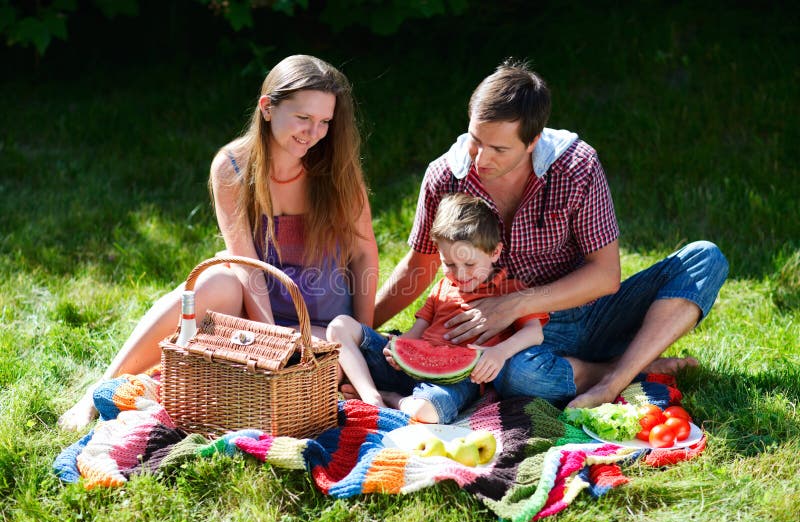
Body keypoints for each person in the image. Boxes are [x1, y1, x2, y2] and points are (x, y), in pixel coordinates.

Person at [373, 58, 728, 409]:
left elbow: (606, 276)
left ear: (533, 142)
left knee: (705, 258)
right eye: (476, 140)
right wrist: (363, 324)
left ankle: (611, 384)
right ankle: (631, 367)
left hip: (593, 311)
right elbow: (420, 264)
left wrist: (513, 304)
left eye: (499, 149)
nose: (481, 158)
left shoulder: (576, 166)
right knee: (518, 376)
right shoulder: (445, 177)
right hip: (528, 337)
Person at [58, 55, 379, 431]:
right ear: (267, 109)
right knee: (214, 281)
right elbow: (246, 263)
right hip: (256, 309)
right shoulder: (232, 167)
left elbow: (362, 251)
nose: (314, 133)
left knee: (327, 357)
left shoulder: (336, 168)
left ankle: (246, 367)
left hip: (320, 323)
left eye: (325, 121)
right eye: (303, 118)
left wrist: (363, 338)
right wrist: (273, 343)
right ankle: (98, 391)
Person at [327, 193, 549, 424]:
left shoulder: (511, 290)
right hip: (409, 367)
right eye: (449, 264)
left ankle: (390, 398)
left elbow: (535, 332)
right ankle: (371, 398)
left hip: (459, 380)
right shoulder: (442, 287)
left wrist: (499, 353)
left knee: (426, 412)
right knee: (339, 326)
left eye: (470, 264)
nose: (460, 274)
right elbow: (416, 332)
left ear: (495, 252)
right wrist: (398, 350)